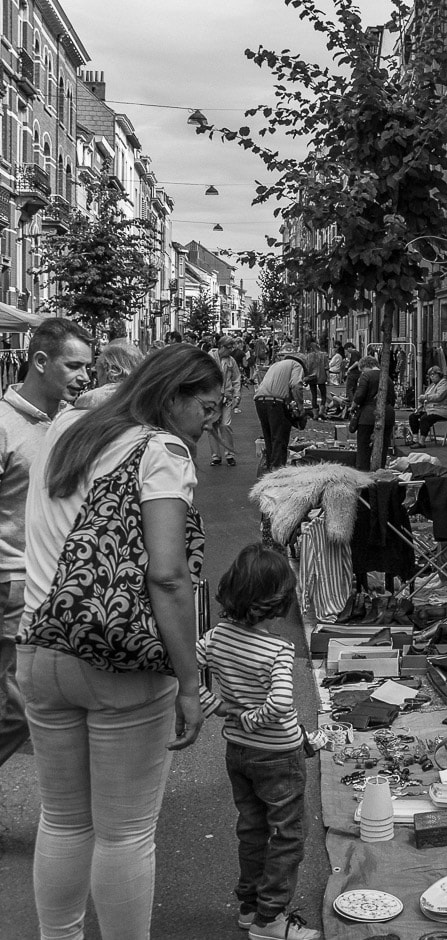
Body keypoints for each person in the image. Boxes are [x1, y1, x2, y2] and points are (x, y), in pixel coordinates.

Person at [15, 343, 220, 939]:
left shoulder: (70, 429)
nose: (210, 420)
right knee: (126, 831)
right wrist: (189, 681)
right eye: (205, 406)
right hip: (116, 656)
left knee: (63, 820)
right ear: (172, 395)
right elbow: (168, 573)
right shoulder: (161, 451)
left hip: (40, 645)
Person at [197, 545, 319, 940]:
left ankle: (249, 907)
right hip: (278, 755)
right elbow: (282, 702)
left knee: (251, 829)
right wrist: (255, 718)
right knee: (287, 835)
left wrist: (214, 705)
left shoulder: (215, 638)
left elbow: (178, 667)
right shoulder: (277, 650)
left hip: (238, 752)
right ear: (280, 601)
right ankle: (271, 919)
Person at [0, 318, 92, 769]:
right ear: (40, 362)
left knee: (37, 699)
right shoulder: (3, 426)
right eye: (74, 365)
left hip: (52, 585)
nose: (85, 376)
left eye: (87, 367)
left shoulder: (65, 424)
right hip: (12, 581)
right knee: (20, 704)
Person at [254, 351, 308, 474]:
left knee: (269, 437)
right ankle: (277, 471)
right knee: (279, 437)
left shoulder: (276, 365)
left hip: (260, 401)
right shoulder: (296, 365)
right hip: (275, 402)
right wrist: (300, 406)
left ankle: (269, 468)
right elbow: (296, 385)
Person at [349, 354, 396, 471]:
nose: (361, 373)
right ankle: (379, 470)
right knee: (383, 447)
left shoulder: (366, 376)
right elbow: (393, 398)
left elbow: (359, 396)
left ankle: (363, 473)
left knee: (364, 448)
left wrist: (353, 406)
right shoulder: (387, 378)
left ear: (366, 366)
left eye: (362, 370)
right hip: (388, 415)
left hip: (368, 416)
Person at [76, 339, 144, 410]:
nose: (97, 378)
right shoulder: (146, 396)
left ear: (107, 369)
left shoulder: (88, 400)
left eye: (97, 371)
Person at [210, 336, 242, 467]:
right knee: (212, 426)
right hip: (212, 398)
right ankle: (216, 456)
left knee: (225, 425)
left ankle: (229, 454)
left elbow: (236, 378)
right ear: (222, 347)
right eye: (230, 348)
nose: (232, 350)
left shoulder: (231, 361)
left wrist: (237, 395)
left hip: (227, 397)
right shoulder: (210, 359)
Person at [410, 365, 447, 445]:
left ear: (439, 375)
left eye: (434, 375)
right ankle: (415, 438)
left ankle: (422, 441)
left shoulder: (444, 385)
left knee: (425, 419)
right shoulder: (432, 385)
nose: (432, 377)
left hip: (442, 410)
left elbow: (438, 397)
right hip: (432, 409)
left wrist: (425, 397)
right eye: (430, 375)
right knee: (413, 416)